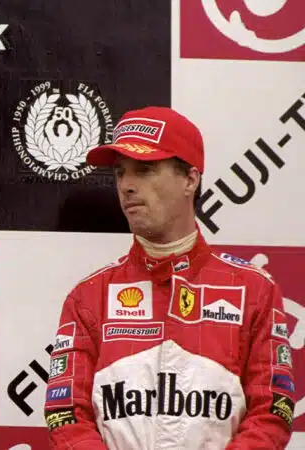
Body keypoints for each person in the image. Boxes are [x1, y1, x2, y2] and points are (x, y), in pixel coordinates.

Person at [43, 106, 294, 449]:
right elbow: (66, 413)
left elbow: (272, 412)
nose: (127, 186)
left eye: (144, 170)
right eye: (120, 173)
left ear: (190, 179)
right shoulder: (89, 297)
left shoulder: (254, 290)